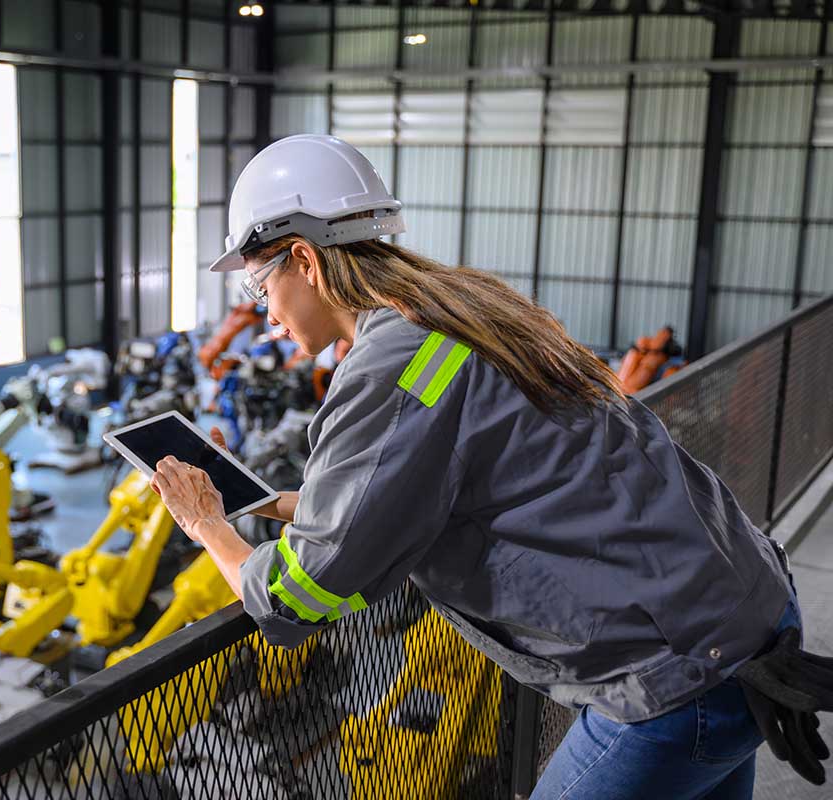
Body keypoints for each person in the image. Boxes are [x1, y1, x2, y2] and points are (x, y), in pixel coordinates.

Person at [148, 134, 833, 797]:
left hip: (677, 675)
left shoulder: (395, 364)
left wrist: (207, 523)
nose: (265, 315)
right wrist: (289, 504)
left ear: (305, 259)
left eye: (261, 288)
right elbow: (465, 478)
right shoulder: (464, 308)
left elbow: (297, 600)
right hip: (748, 618)